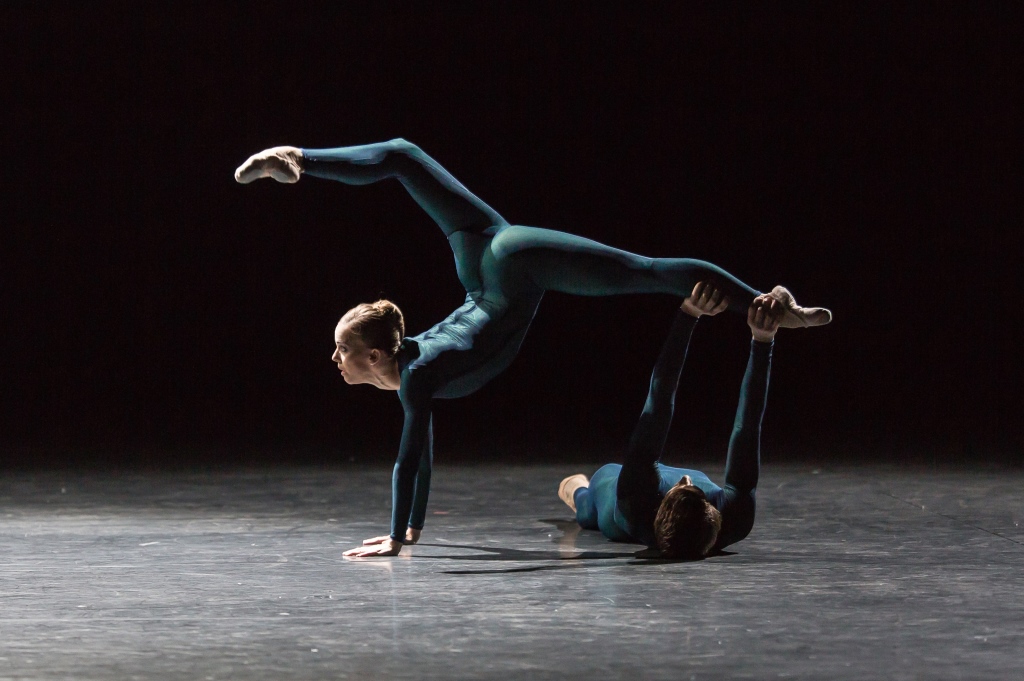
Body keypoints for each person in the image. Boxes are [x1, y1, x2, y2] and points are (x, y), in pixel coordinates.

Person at [234, 139, 830, 557]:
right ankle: (297, 159)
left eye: (340, 351)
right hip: (487, 257)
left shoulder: (416, 380)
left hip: (508, 270)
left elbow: (409, 460)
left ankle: (771, 306)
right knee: (403, 156)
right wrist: (409, 530)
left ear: (375, 358)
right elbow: (419, 454)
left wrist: (396, 537)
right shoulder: (415, 374)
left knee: (642, 271)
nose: (333, 360)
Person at [560, 281, 779, 558]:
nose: (687, 477)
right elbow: (747, 428)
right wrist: (763, 341)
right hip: (661, 502)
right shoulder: (735, 520)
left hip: (615, 507)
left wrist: (688, 314)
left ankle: (575, 489)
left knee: (588, 504)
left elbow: (659, 400)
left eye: (682, 485)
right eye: (692, 488)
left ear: (660, 504)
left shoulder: (636, 499)